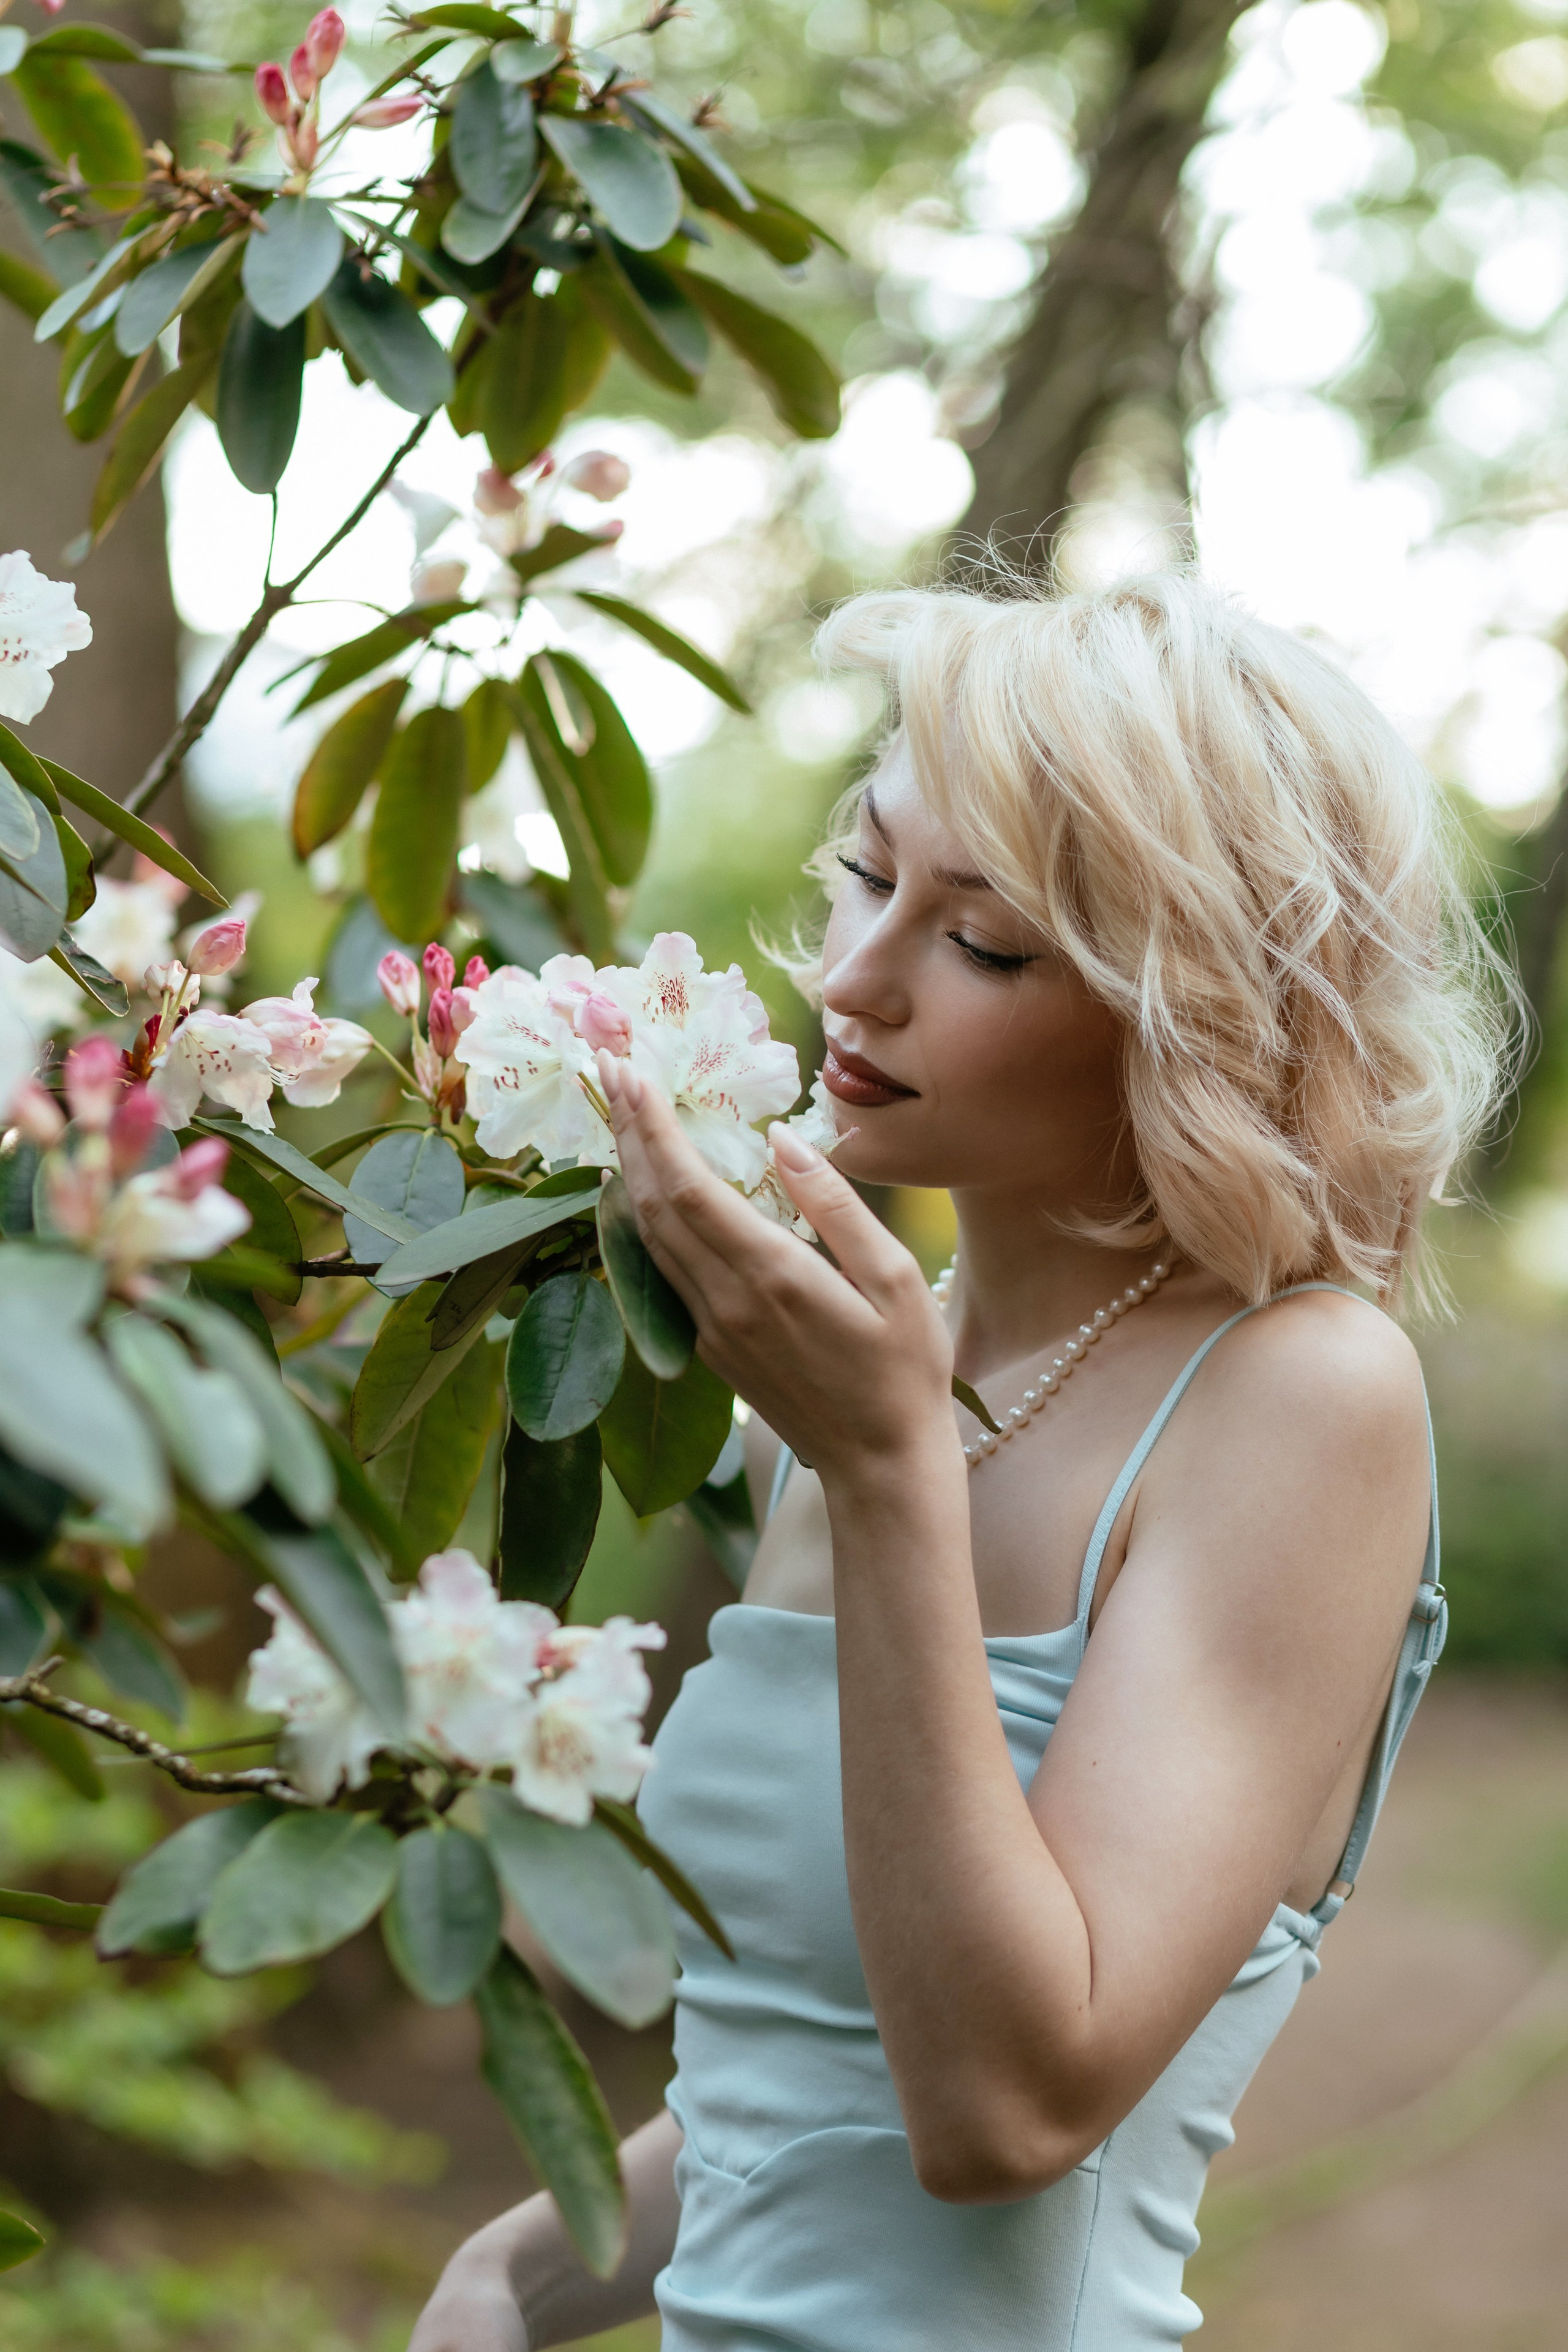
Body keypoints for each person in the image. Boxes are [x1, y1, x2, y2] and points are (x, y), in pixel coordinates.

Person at [409, 572, 1513, 2351]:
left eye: (982, 944)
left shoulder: (1301, 1399)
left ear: (1198, 1013)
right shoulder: (843, 1397)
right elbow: (822, 2077)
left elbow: (1007, 2108)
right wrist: (518, 2271)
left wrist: (889, 1472)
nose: (851, 979)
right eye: (865, 877)